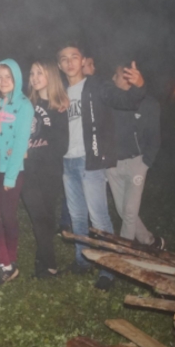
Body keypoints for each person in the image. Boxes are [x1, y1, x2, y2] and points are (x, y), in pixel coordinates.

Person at [57, 43, 145, 291]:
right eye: (64, 59)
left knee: (99, 216)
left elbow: (124, 100)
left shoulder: (96, 86)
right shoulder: (60, 92)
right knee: (77, 215)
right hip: (68, 161)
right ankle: (82, 260)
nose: (70, 62)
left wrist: (139, 86)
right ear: (59, 65)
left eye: (74, 57)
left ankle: (109, 269)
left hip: (91, 161)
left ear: (83, 60)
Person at [0, 59, 34, 285]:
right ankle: (5, 263)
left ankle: (11, 259)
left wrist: (11, 177)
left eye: (8, 77)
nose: (3, 81)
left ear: (17, 79)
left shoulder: (24, 105)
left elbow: (21, 143)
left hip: (13, 169)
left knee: (8, 215)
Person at [106, 63, 162, 247]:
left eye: (117, 75)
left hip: (136, 163)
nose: (113, 79)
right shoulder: (110, 102)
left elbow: (155, 137)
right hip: (113, 164)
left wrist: (145, 163)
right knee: (122, 210)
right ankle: (149, 240)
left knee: (130, 212)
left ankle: (123, 253)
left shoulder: (149, 104)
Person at [22, 60, 69, 279]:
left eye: (39, 73)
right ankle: (50, 265)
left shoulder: (60, 106)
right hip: (27, 170)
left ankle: (41, 260)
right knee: (38, 215)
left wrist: (37, 153)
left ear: (51, 76)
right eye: (32, 73)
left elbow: (62, 145)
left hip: (50, 170)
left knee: (48, 216)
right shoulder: (25, 104)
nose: (34, 77)